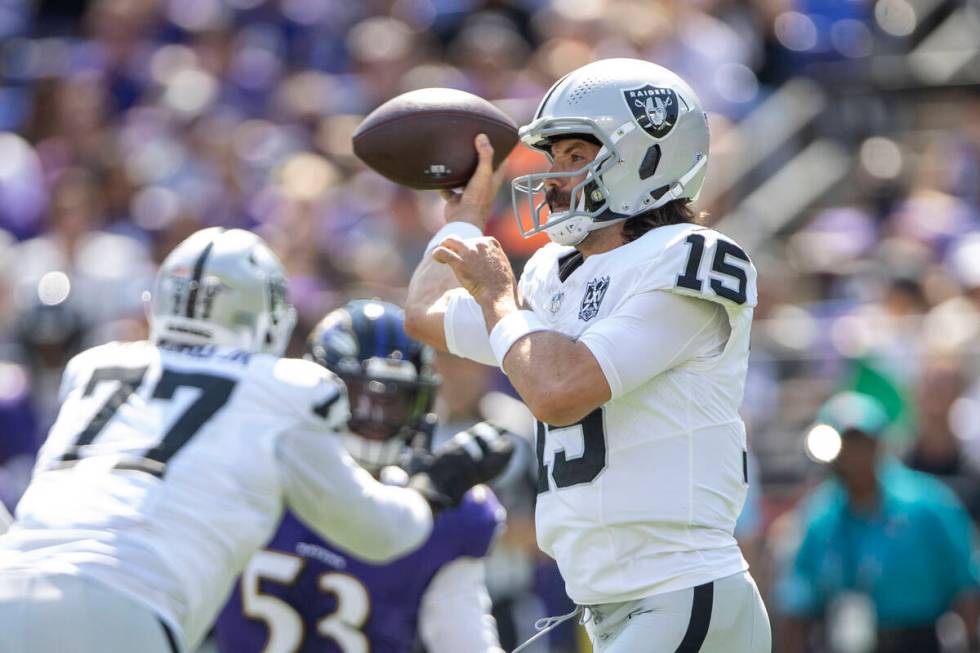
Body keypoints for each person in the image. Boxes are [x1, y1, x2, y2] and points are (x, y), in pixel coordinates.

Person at [0, 228, 512, 653]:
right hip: (126, 606)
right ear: (266, 316)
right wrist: (435, 487)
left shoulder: (97, 366)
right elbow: (379, 534)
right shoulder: (284, 388)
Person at [405, 58, 770, 652]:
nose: (553, 177)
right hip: (609, 603)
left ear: (649, 155)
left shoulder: (691, 254)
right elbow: (423, 314)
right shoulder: (553, 273)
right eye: (553, 159)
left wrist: (499, 297)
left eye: (576, 156)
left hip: (681, 587)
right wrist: (464, 221)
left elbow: (559, 392)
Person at [213, 300, 506, 653]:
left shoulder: (250, 474)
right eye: (359, 395)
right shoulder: (449, 514)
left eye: (395, 399)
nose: (376, 416)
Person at [776, 392, 980, 653]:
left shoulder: (928, 505)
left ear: (880, 443)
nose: (854, 454)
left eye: (862, 442)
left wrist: (973, 642)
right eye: (845, 443)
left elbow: (965, 585)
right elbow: (796, 601)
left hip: (916, 641)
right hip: (840, 642)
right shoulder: (818, 515)